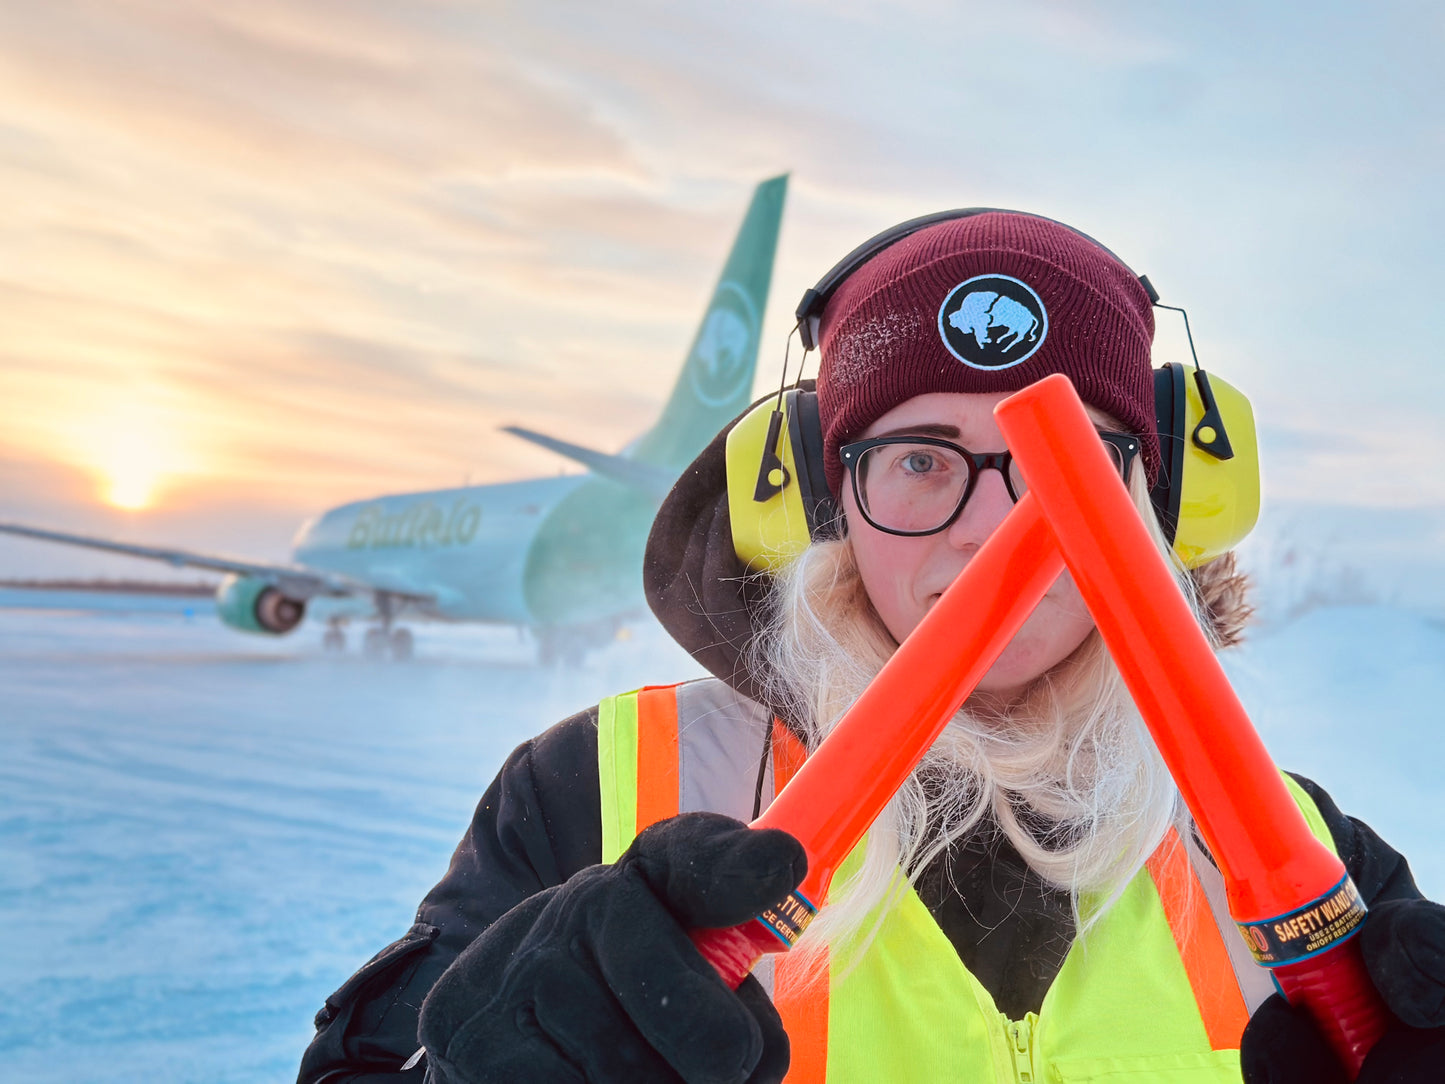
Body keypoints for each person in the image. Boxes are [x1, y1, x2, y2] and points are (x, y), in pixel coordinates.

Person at [298, 212, 1445, 1083]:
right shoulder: (591, 788)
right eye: (918, 458)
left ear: (1161, 503)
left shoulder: (1306, 856)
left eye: (1076, 464)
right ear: (817, 504)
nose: (995, 528)